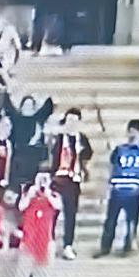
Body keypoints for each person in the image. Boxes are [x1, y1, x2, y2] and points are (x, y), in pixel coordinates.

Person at [98, 118, 139, 257]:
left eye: (135, 131)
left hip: (134, 190)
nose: (132, 134)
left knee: (131, 220)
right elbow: (111, 167)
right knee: (111, 220)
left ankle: (127, 246)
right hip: (118, 188)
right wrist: (107, 186)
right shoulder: (120, 149)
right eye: (130, 131)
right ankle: (105, 247)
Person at [50, 108, 92, 259]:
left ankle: (68, 244)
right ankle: (49, 240)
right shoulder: (59, 139)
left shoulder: (82, 139)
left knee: (70, 214)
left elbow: (88, 155)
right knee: (53, 212)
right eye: (69, 120)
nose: (71, 124)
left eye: (74, 121)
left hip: (73, 181)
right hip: (58, 179)